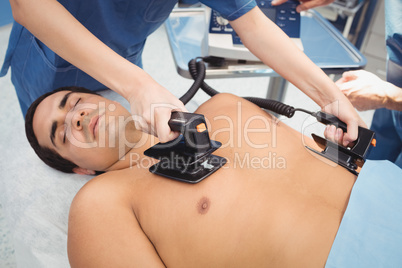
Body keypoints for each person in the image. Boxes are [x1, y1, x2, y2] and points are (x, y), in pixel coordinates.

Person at [25, 87, 402, 267]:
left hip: (388, 190)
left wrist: (338, 149)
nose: (74, 117)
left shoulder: (224, 105)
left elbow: (314, 160)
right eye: (61, 133)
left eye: (73, 102)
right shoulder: (100, 203)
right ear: (79, 168)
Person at [2, 0, 364, 145]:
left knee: (125, 152)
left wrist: (330, 96)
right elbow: (28, 5)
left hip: (124, 57)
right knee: (59, 141)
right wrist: (138, 85)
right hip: (48, 57)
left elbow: (252, 25)